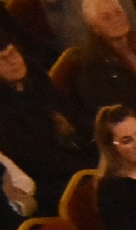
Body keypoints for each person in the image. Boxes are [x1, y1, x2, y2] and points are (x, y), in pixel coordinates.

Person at [0, 34, 86, 216]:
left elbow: (70, 112)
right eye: (3, 59)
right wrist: (84, 166)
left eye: (13, 53)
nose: (13, 61)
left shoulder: (35, 75)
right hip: (47, 179)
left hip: (72, 151)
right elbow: (35, 157)